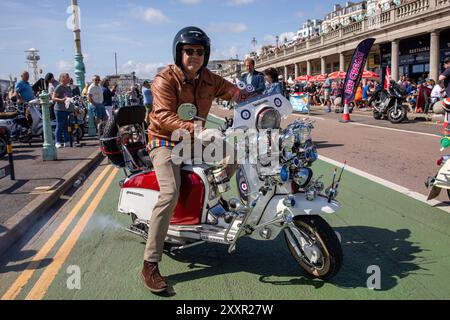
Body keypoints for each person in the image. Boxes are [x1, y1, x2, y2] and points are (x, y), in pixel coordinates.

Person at [142, 26, 237, 294]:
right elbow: (161, 116)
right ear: (179, 52)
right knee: (169, 193)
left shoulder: (208, 78)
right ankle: (150, 264)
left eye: (199, 51)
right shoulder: (164, 79)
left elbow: (233, 92)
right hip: (164, 141)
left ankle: (212, 197)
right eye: (189, 51)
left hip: (194, 139)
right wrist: (195, 129)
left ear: (205, 55)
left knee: (234, 154)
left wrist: (253, 97)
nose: (194, 55)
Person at [52, 73, 73, 148]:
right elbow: (53, 98)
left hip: (66, 109)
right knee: (59, 125)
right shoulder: (58, 87)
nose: (69, 79)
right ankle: (57, 141)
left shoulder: (68, 87)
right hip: (59, 109)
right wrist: (62, 100)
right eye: (67, 77)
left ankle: (66, 141)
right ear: (63, 78)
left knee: (65, 126)